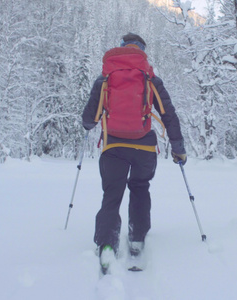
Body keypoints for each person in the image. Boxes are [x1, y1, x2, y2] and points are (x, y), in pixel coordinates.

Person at [82, 33, 187, 273]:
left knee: (112, 195)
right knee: (140, 188)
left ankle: (107, 245)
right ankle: (137, 238)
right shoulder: (150, 79)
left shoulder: (105, 78)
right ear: (141, 51)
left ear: (121, 49)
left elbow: (90, 118)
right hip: (144, 147)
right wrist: (178, 148)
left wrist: (89, 125)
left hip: (112, 147)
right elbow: (168, 114)